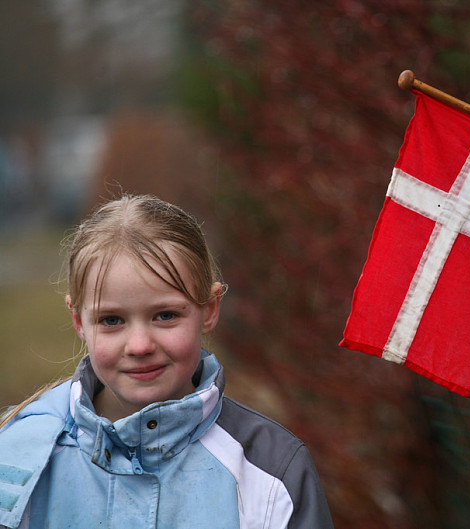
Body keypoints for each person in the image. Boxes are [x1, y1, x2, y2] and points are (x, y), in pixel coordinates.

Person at [0, 194, 334, 529]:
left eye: (165, 315)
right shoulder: (15, 457)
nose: (140, 345)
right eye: (112, 320)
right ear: (78, 321)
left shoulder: (272, 470)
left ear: (210, 309)